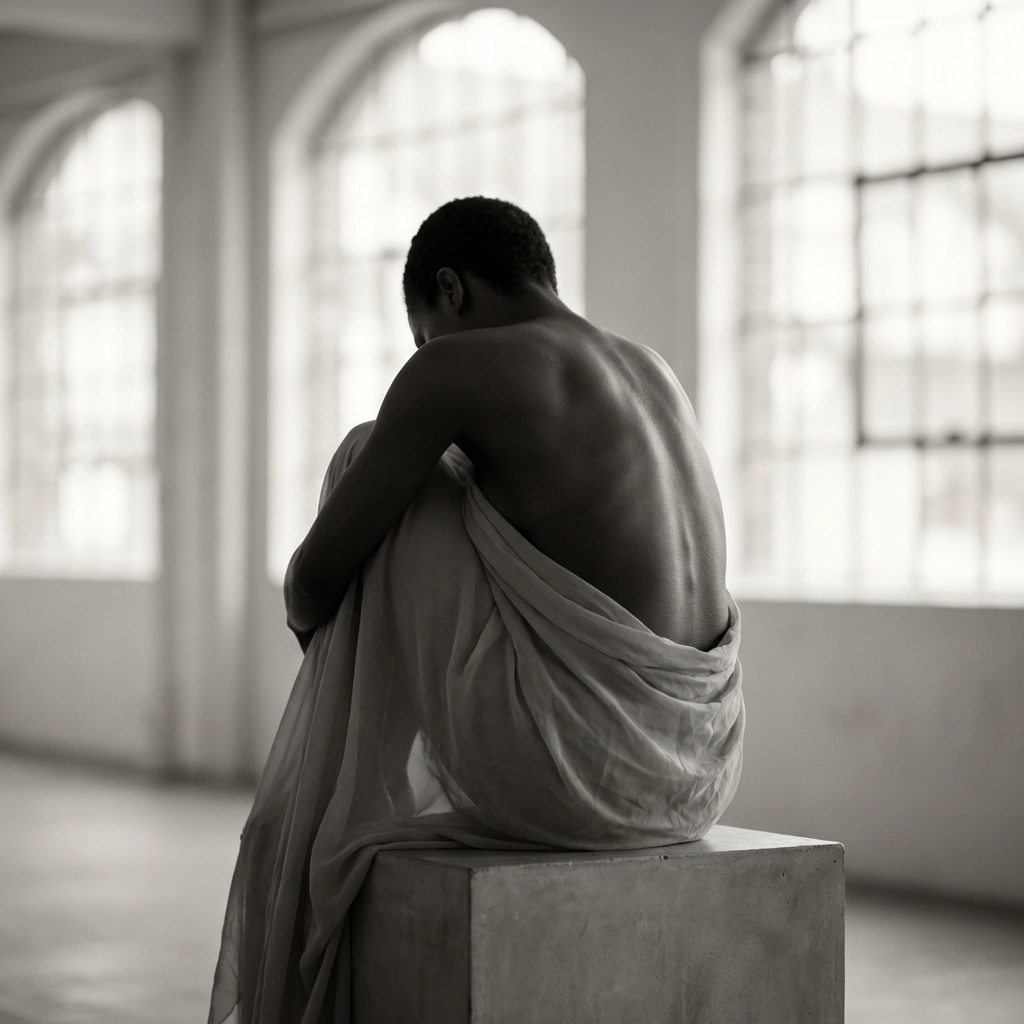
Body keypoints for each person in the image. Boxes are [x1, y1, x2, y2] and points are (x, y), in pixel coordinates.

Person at [209, 198, 743, 1024]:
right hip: (701, 774)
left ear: (450, 291)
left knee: (368, 455)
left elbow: (310, 582)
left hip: (578, 780)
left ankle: (344, 800)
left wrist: (318, 640)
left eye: (423, 333)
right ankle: (351, 788)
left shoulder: (458, 371)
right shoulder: (652, 369)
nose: (426, 356)